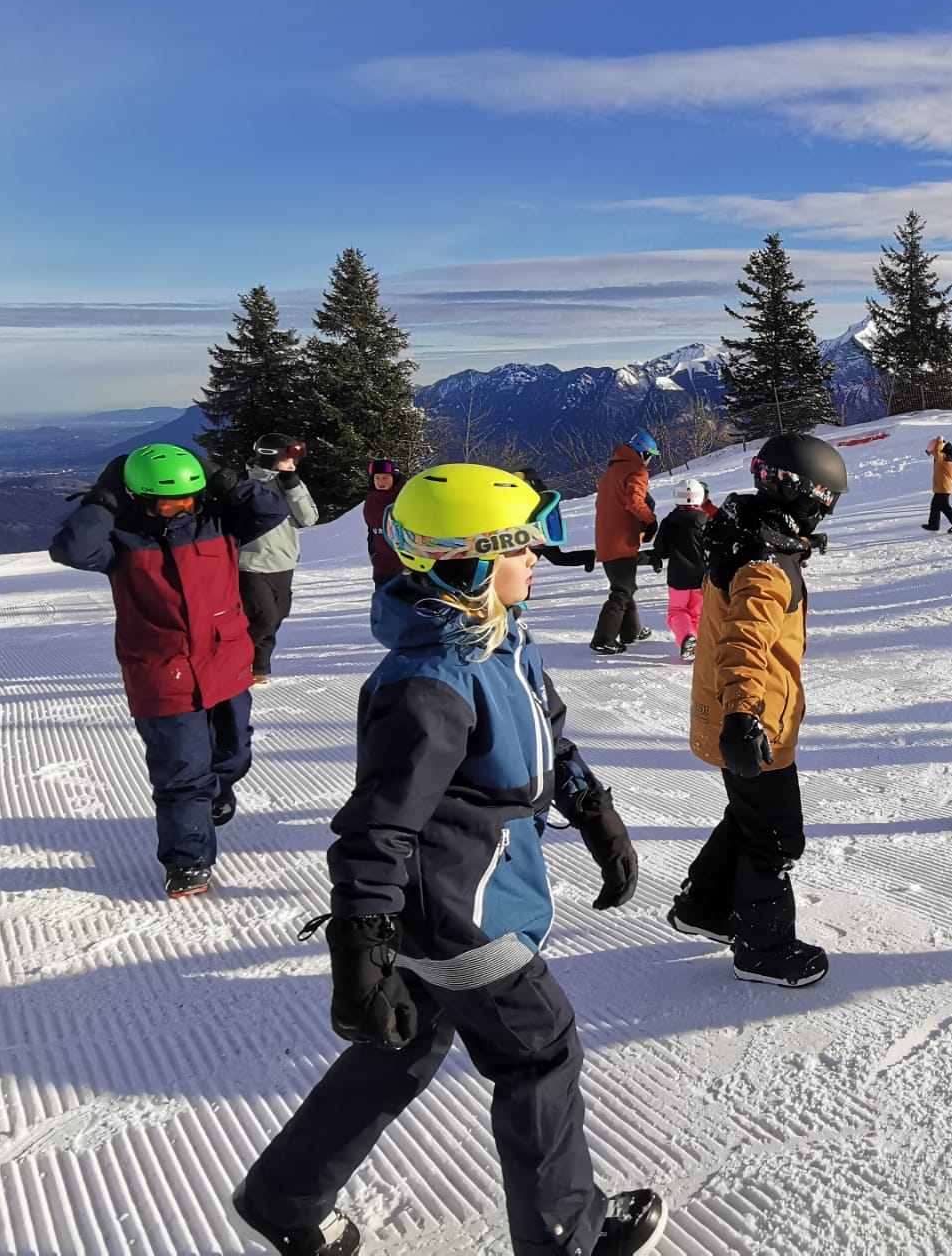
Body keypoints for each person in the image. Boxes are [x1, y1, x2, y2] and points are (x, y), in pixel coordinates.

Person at [231, 464, 663, 1256]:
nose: (536, 558)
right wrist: (360, 947)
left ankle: (284, 1198)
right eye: (521, 547)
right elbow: (377, 826)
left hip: (473, 886)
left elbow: (547, 736)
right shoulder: (430, 684)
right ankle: (566, 1235)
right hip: (460, 910)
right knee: (539, 1048)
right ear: (470, 562)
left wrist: (592, 810)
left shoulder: (501, 639)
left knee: (407, 1043)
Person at [48, 445, 287, 899]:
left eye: (189, 498)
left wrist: (220, 476)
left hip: (224, 661)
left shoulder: (218, 523)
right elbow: (71, 548)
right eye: (167, 502)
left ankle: (215, 791)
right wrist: (102, 500)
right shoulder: (121, 539)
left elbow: (271, 509)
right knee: (181, 773)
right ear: (139, 498)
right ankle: (188, 861)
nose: (181, 508)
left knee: (234, 754)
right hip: (161, 671)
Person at [666, 434, 846, 988]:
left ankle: (705, 907)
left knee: (748, 815)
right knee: (775, 836)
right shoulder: (766, 564)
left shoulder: (743, 531)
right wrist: (743, 717)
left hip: (732, 714)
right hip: (754, 723)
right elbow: (745, 641)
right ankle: (763, 949)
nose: (825, 515)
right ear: (807, 497)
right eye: (826, 502)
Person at [238, 435, 319, 685]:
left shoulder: (292, 484)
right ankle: (230, 662)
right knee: (263, 617)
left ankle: (258, 668)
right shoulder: (248, 485)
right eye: (288, 458)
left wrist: (293, 487)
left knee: (277, 616)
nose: (293, 464)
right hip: (251, 564)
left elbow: (309, 519)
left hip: (284, 562)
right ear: (271, 457)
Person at [591, 431, 659, 655]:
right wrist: (651, 521)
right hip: (621, 541)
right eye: (650, 456)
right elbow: (634, 501)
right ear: (643, 454)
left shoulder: (611, 471)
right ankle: (603, 639)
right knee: (622, 591)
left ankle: (631, 632)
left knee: (625, 587)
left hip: (606, 540)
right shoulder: (636, 470)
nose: (649, 462)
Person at [653, 479, 712, 659]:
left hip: (678, 577)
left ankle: (688, 637)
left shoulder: (669, 522)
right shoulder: (706, 520)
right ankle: (698, 643)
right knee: (698, 612)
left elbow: (661, 551)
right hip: (702, 576)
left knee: (677, 611)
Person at [363, 459, 408, 587]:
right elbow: (372, 532)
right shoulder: (371, 501)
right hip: (382, 570)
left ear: (394, 477)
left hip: (409, 569)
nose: (380, 482)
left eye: (385, 478)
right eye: (377, 478)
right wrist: (374, 556)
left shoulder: (406, 498)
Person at [923, 436, 952, 533]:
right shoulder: (949, 457)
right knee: (935, 505)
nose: (932, 455)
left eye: (932, 452)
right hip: (943, 487)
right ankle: (933, 525)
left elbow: (937, 452)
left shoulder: (941, 457)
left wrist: (939, 441)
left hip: (943, 487)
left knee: (944, 506)